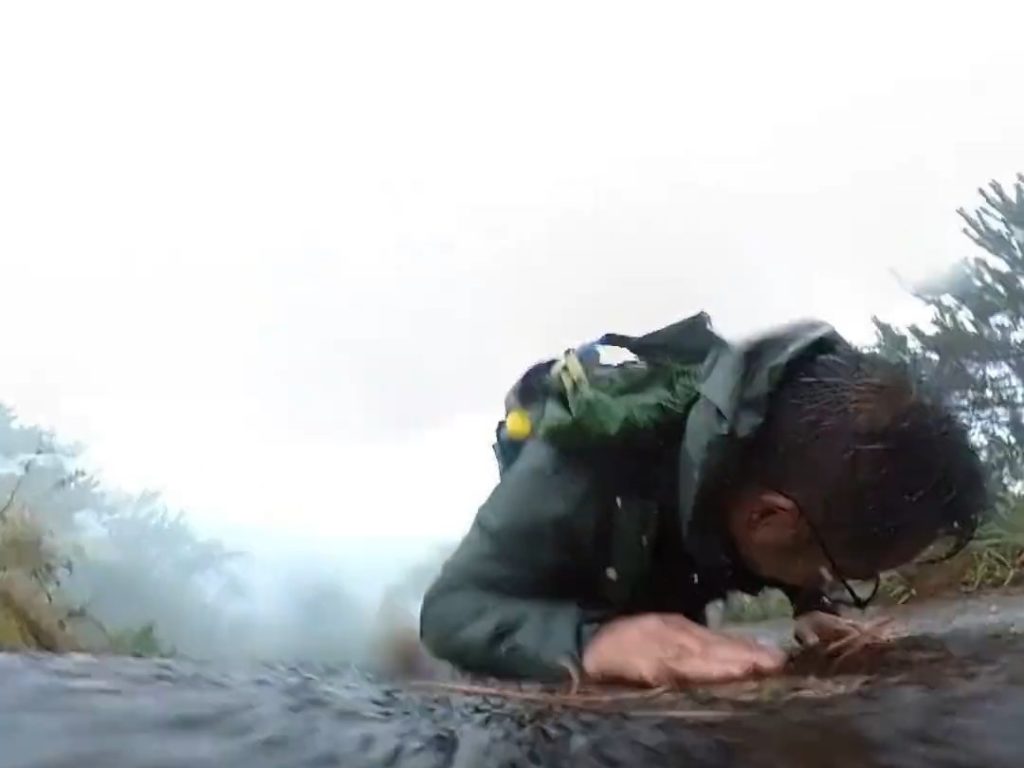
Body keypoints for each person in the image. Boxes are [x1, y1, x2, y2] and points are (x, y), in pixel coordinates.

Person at [418, 312, 988, 687]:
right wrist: (593, 641)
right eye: (841, 572)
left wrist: (812, 606)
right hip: (579, 567)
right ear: (768, 517)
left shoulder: (780, 474)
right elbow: (451, 610)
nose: (834, 583)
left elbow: (796, 535)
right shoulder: (570, 473)